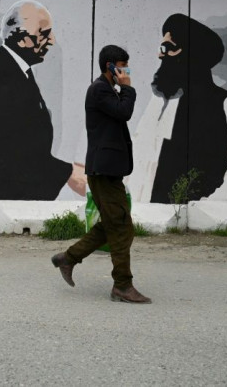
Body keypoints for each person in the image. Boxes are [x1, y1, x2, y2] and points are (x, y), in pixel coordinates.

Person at [0, 0, 86, 204]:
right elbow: (12, 150)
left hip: (3, 200)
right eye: (44, 34)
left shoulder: (15, 71)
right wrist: (68, 173)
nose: (51, 40)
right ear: (22, 38)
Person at [51, 45, 151, 304]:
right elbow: (124, 113)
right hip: (103, 170)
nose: (126, 71)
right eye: (122, 65)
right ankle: (122, 284)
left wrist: (123, 88)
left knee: (113, 224)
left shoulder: (109, 90)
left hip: (109, 169)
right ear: (110, 66)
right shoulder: (98, 90)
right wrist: (128, 87)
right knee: (120, 226)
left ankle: (68, 258)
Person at [129, 13, 227, 203]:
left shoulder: (224, 104)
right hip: (148, 216)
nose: (160, 54)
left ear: (191, 53)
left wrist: (208, 207)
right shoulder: (158, 102)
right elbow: (140, 154)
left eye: (167, 48)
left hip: (202, 220)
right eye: (160, 47)